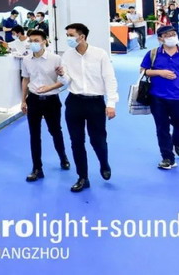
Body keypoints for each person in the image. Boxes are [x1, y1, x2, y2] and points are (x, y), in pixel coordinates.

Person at [57, 23, 118, 193]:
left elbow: (109, 78)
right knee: (76, 141)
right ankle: (83, 177)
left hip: (95, 102)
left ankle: (104, 163)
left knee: (98, 140)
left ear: (82, 36)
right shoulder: (67, 55)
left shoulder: (100, 54)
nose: (68, 39)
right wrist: (62, 75)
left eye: (71, 35)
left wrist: (111, 103)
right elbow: (66, 81)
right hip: (74, 102)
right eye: (67, 35)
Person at [139, 25, 179, 170]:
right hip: (157, 98)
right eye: (167, 35)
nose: (171, 37)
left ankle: (178, 142)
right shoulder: (153, 54)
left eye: (173, 34)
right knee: (162, 128)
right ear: (160, 39)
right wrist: (159, 72)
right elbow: (143, 71)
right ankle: (167, 158)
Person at [21, 30, 70, 182]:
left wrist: (50, 87)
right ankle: (37, 168)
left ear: (44, 41)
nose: (33, 43)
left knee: (55, 131)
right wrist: (23, 100)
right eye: (31, 40)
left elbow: (64, 80)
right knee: (34, 134)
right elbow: (25, 79)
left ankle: (63, 157)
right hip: (33, 99)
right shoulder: (26, 60)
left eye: (36, 40)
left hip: (51, 100)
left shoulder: (55, 59)